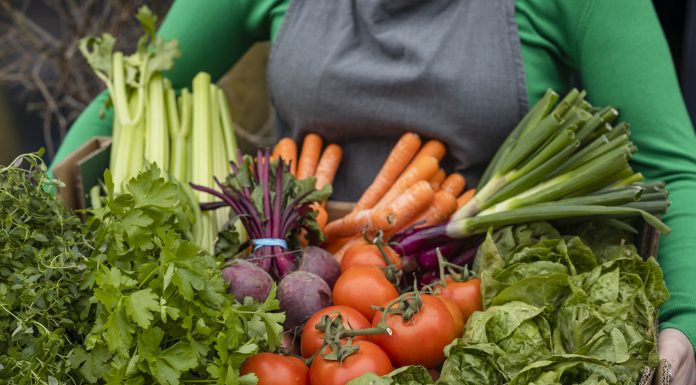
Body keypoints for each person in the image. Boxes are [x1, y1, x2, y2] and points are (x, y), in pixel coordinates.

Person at [50, 1, 696, 382]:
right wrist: (49, 211)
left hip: (486, 312)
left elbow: (670, 166)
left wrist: (684, 322)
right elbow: (126, 102)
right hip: (291, 299)